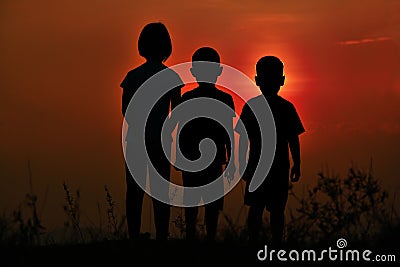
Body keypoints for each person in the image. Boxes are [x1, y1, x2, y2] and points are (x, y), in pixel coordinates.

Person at [120, 22, 183, 241]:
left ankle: (134, 235)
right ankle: (162, 236)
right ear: (166, 46)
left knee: (134, 191)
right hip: (160, 141)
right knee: (161, 191)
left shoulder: (132, 76)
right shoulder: (172, 77)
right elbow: (177, 112)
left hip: (135, 140)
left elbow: (125, 110)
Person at [235, 56, 305, 247]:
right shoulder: (287, 108)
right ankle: (275, 244)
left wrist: (242, 164)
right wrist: (297, 163)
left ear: (257, 80)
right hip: (279, 167)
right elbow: (293, 139)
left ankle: (254, 243)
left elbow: (243, 139)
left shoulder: (252, 107)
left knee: (257, 209)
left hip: (259, 166)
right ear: (282, 80)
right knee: (276, 210)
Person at [174, 47, 235, 242]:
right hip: (210, 159)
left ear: (193, 72)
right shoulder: (225, 99)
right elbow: (228, 133)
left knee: (196, 203)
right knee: (209, 204)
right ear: (219, 71)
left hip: (195, 158)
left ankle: (194, 238)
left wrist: (178, 155)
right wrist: (232, 157)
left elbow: (181, 131)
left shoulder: (188, 98)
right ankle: (208, 239)